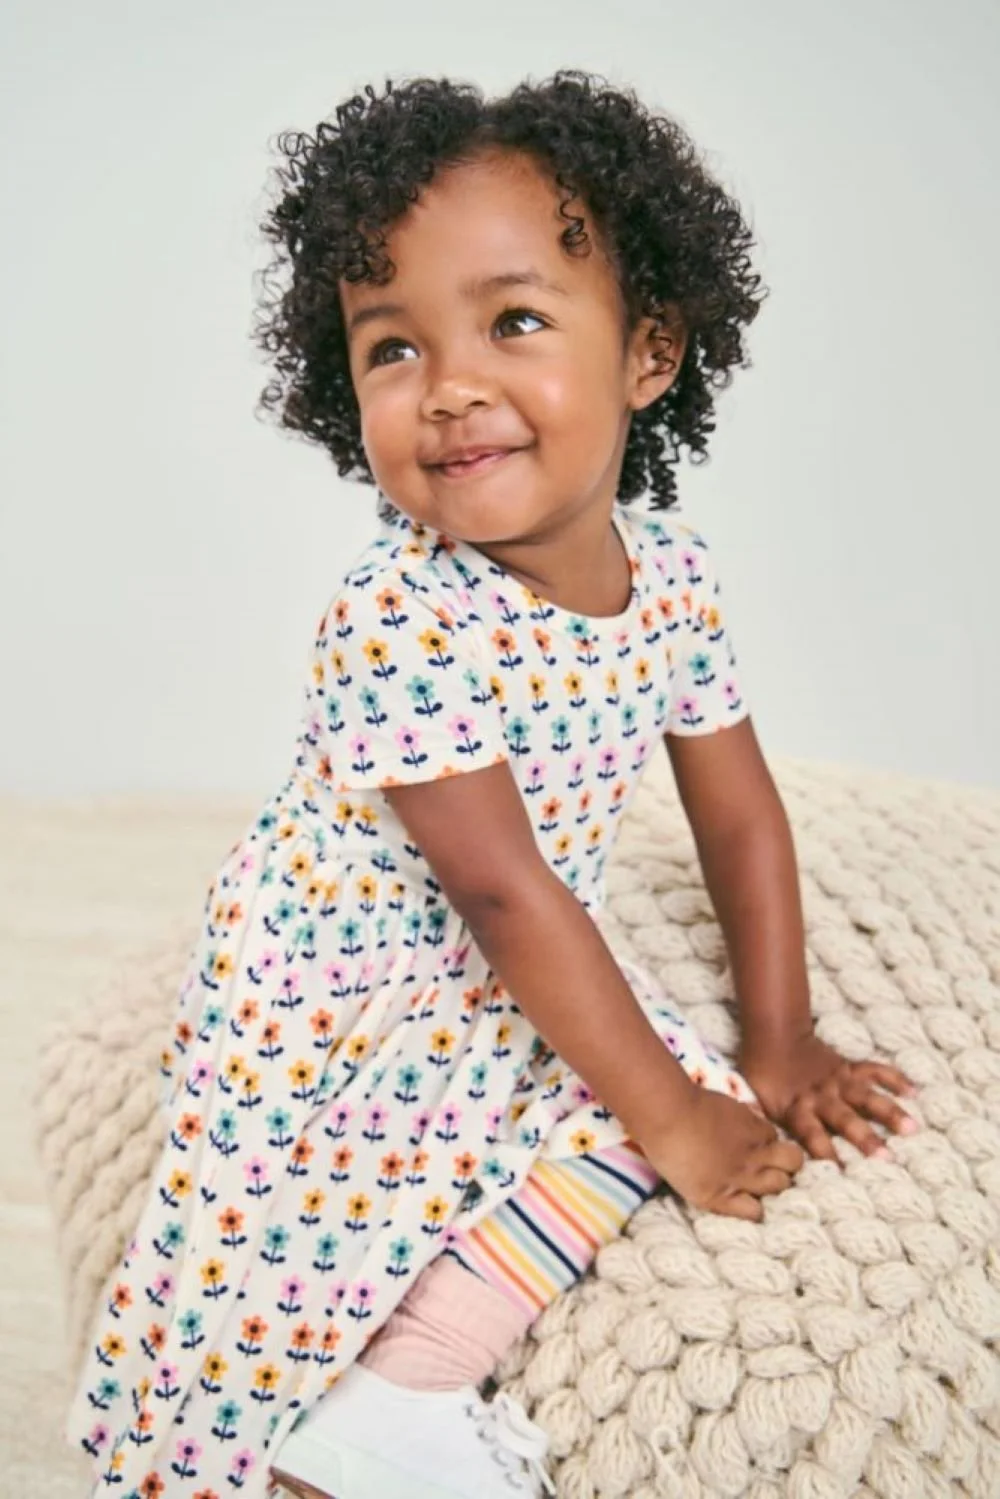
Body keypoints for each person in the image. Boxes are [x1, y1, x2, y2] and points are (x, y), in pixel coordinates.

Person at [66, 70, 919, 1499]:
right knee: (281, 1268)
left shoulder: (672, 577)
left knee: (685, 1083)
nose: (450, 385)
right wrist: (678, 1126)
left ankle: (404, 1383)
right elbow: (504, 890)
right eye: (393, 347)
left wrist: (782, 1043)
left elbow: (739, 812)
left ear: (650, 350)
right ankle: (341, 1414)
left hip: (492, 955)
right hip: (338, 995)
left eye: (513, 321)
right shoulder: (398, 620)